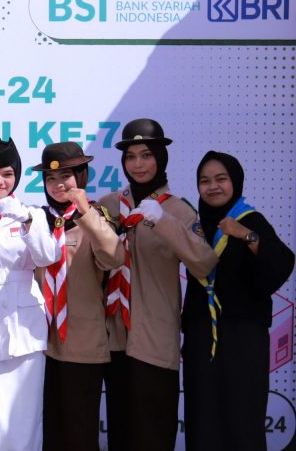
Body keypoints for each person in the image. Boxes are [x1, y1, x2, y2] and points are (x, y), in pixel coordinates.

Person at [97, 119, 217, 451]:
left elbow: (204, 263)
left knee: (154, 434)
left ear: (160, 158)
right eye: (131, 156)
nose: (138, 164)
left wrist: (163, 222)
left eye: (146, 155)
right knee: (120, 433)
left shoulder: (178, 210)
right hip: (114, 337)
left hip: (155, 339)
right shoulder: (109, 206)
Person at [182, 151, 294, 451]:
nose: (212, 187)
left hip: (243, 340)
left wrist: (245, 235)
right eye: (204, 181)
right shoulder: (195, 224)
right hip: (201, 341)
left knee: (243, 420)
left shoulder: (250, 219)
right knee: (202, 420)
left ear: (236, 182)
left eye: (221, 179)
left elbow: (281, 263)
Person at [0, 137, 59, 451]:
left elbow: (47, 257)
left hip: (25, 332)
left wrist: (27, 221)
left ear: (16, 175)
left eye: (7, 173)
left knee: (25, 422)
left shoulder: (33, 214)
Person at [30, 143, 125, 451]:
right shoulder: (36, 221)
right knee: (48, 433)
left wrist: (86, 212)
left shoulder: (97, 217)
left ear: (82, 176)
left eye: (67, 176)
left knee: (79, 432)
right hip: (41, 347)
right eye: (51, 179)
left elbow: (113, 257)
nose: (59, 185)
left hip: (82, 345)